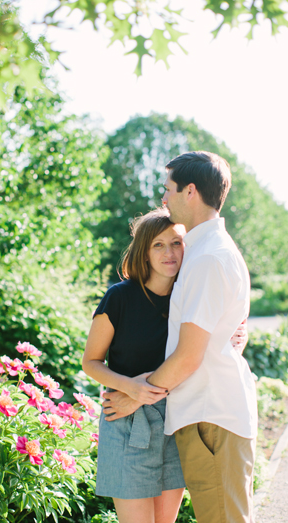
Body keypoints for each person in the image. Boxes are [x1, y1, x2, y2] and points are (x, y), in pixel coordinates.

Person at [103, 151, 256, 523]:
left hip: (211, 415)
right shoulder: (203, 252)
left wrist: (134, 397)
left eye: (167, 190)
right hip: (207, 414)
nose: (163, 199)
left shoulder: (207, 259)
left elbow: (189, 356)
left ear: (190, 192)